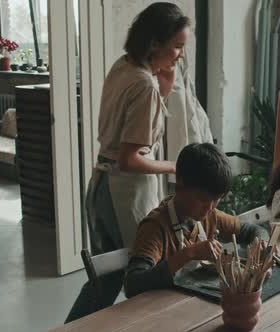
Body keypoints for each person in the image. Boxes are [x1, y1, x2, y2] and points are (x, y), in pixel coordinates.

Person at [65, 3, 191, 322]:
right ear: (154, 44)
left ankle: (71, 328)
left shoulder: (124, 67)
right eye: (177, 46)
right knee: (142, 272)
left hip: (103, 185)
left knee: (107, 275)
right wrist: (174, 166)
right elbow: (130, 158)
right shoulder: (143, 85)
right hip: (125, 192)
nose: (180, 54)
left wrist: (164, 84)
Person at [124, 143, 270, 297]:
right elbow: (133, 285)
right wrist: (189, 253)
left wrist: (261, 244)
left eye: (217, 199)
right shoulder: (155, 227)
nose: (210, 207)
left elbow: (254, 231)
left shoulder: (211, 216)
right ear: (180, 186)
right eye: (202, 199)